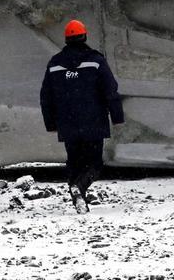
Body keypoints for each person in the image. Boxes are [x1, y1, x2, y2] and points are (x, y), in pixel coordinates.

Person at [39, 19, 125, 213]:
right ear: (84, 36)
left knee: (74, 161)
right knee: (94, 163)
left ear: (67, 39)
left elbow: (46, 96)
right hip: (93, 120)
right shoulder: (95, 61)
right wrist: (117, 117)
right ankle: (80, 187)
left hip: (67, 122)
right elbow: (110, 90)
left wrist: (50, 123)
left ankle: (79, 198)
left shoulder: (55, 63)